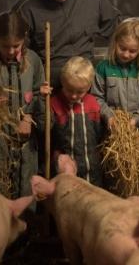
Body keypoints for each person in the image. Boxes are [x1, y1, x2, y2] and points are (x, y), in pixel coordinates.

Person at [0, 11, 49, 200]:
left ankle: (26, 225)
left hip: (25, 139)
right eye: (5, 46)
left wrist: (28, 118)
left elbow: (37, 95)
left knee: (26, 182)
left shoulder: (34, 62)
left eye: (16, 46)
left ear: (24, 40)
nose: (11, 51)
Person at [92, 18, 139, 141]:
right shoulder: (103, 68)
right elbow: (96, 97)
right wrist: (109, 116)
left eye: (132, 51)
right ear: (115, 42)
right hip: (111, 132)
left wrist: (136, 119)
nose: (126, 54)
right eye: (122, 48)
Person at [50, 56, 103, 186]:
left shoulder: (93, 104)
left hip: (92, 169)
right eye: (69, 90)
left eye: (80, 92)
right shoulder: (54, 104)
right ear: (62, 83)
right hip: (66, 170)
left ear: (89, 86)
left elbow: (99, 135)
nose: (74, 96)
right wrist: (56, 158)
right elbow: (51, 139)